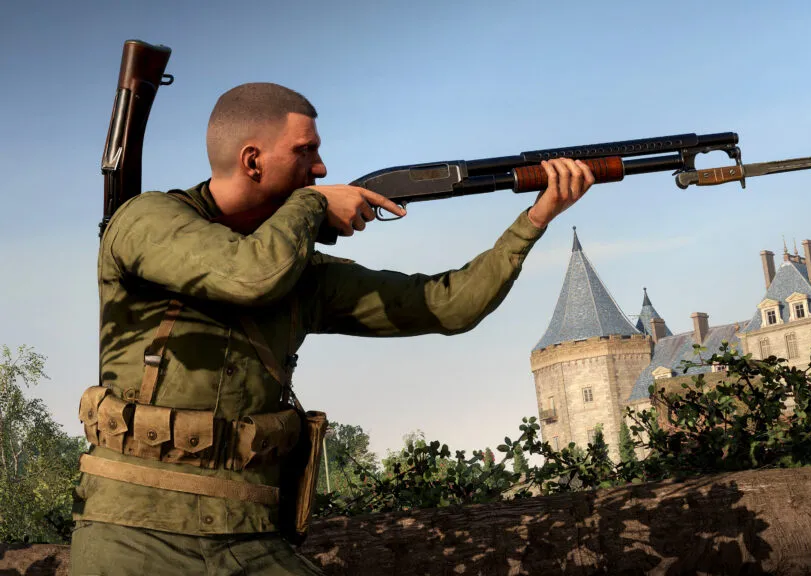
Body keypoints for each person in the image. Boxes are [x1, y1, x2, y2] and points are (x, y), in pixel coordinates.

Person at [69, 82, 595, 575]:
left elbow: (448, 305)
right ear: (252, 160)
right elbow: (248, 275)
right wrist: (312, 204)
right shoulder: (145, 220)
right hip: (132, 534)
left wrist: (536, 217)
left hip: (250, 535)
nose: (321, 167)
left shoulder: (300, 271)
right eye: (305, 151)